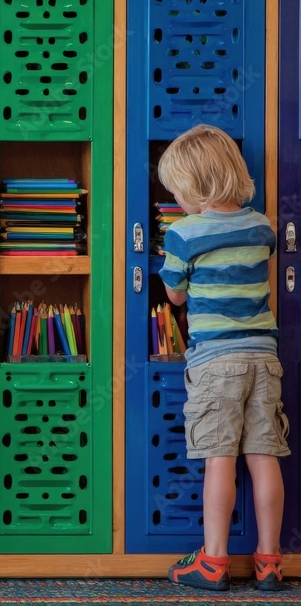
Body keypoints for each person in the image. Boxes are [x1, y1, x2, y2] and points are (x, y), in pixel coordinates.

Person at [158, 124, 290, 592]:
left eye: (178, 192)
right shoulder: (261, 225)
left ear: (195, 186)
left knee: (218, 459)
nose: (176, 202)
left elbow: (174, 296)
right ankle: (270, 563)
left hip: (215, 360)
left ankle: (212, 562)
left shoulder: (183, 233)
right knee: (263, 455)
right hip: (264, 356)